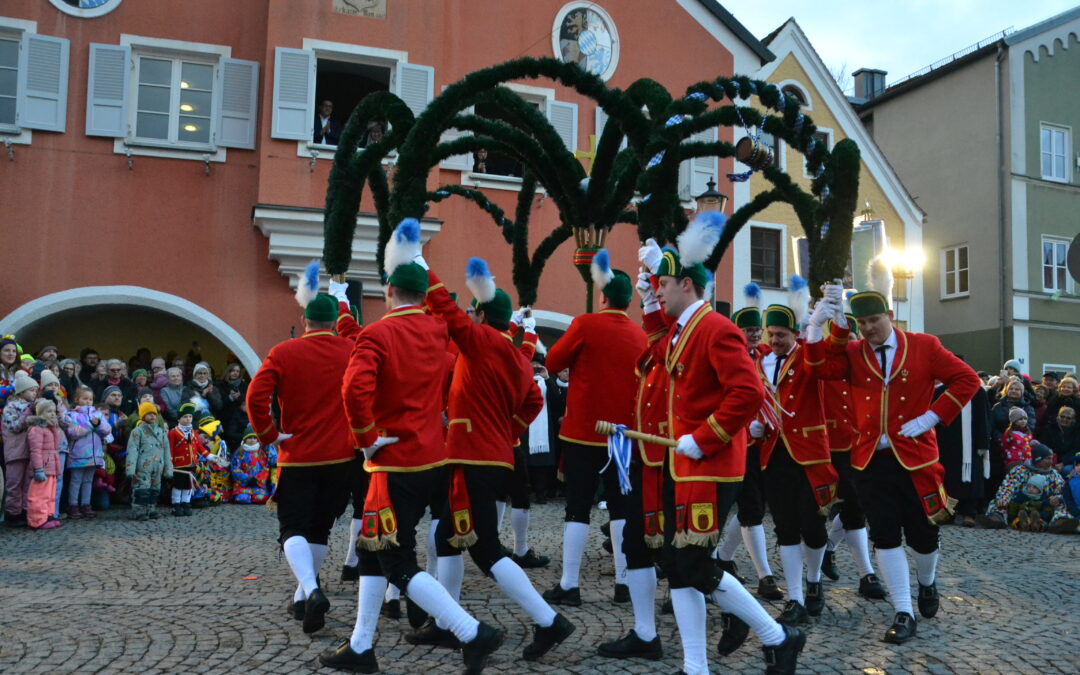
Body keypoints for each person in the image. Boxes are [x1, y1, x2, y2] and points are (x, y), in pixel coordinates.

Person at [322, 229, 504, 674]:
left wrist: (366, 437)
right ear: (424, 296)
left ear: (389, 291)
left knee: (397, 561)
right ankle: (361, 644)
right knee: (371, 548)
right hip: (434, 458)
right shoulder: (439, 330)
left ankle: (470, 631)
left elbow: (353, 388)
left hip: (393, 461)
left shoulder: (378, 333)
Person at [647, 225, 804, 675]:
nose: (658, 290)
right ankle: (695, 665)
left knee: (695, 563)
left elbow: (747, 392)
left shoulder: (715, 328)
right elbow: (660, 357)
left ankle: (778, 636)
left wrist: (704, 437)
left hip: (710, 464)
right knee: (677, 565)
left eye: (663, 283)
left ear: (686, 284)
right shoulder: (684, 329)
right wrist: (650, 309)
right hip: (684, 464)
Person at [807, 277, 981, 645]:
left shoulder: (924, 346)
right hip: (870, 458)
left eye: (874, 320)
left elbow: (967, 380)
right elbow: (821, 368)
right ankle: (903, 611)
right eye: (861, 323)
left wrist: (932, 417)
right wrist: (818, 326)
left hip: (916, 458)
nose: (868, 328)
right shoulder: (853, 351)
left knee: (924, 536)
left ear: (889, 315)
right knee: (884, 534)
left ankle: (927, 582)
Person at [419, 254, 572, 664]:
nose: (469, 315)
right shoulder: (517, 355)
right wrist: (506, 432)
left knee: (484, 548)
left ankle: (548, 620)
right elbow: (533, 399)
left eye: (474, 311)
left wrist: (418, 260)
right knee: (448, 537)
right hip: (490, 455)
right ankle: (448, 619)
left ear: (483, 315)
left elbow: (445, 308)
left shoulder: (481, 340)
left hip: (472, 455)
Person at [245, 287, 357, 637]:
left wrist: (269, 434)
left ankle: (311, 591)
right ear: (335, 322)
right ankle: (301, 599)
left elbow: (255, 396)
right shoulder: (351, 350)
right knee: (320, 529)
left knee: (292, 528)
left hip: (299, 455)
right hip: (342, 456)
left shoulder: (284, 351)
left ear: (304, 320)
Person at [544, 249, 647, 606]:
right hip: (623, 436)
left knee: (577, 506)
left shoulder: (585, 324)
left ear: (603, 296)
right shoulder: (640, 335)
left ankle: (570, 584)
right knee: (620, 507)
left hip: (584, 432)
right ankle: (623, 583)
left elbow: (553, 361)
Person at [750, 299, 840, 627]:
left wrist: (821, 323)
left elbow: (832, 351)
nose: (774, 340)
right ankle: (795, 598)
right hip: (772, 454)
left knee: (813, 526)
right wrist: (751, 426)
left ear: (794, 334)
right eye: (771, 334)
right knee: (785, 527)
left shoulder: (807, 356)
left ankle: (814, 580)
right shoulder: (759, 362)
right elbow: (751, 398)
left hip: (808, 453)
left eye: (781, 335)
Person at [714, 284, 784, 601]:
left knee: (752, 506)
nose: (754, 335)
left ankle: (723, 557)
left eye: (757, 330)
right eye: (748, 330)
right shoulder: (727, 359)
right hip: (734, 443)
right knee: (746, 507)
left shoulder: (766, 356)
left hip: (762, 445)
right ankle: (765, 576)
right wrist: (745, 427)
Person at [819, 313, 886, 600]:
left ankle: (847, 561)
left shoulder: (866, 366)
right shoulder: (826, 364)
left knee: (857, 507)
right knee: (840, 509)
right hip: (827, 447)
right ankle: (859, 572)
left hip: (861, 445)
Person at [977, 443, 1078, 533]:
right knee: (997, 501)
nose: (1051, 462)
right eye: (1047, 458)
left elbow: (1063, 490)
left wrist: (1058, 498)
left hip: (1043, 506)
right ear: (1038, 459)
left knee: (1062, 504)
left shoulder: (1054, 474)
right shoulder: (1020, 470)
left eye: (1051, 458)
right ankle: (996, 518)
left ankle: (1060, 522)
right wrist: (1003, 498)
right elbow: (1007, 487)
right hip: (1020, 504)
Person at [935, 380, 992, 528]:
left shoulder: (978, 391)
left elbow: (984, 417)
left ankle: (969, 512)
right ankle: (949, 511)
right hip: (947, 442)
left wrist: (983, 442)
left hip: (971, 444)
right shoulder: (941, 391)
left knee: (971, 478)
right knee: (948, 477)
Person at [65, 386, 111, 520]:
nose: (88, 402)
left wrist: (98, 424)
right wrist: (90, 424)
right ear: (77, 399)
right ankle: (73, 505)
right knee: (76, 480)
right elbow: (73, 432)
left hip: (94, 454)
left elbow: (107, 430)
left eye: (90, 399)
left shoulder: (97, 414)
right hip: (78, 454)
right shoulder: (72, 415)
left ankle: (86, 504)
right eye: (85, 398)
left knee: (88, 481)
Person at [125, 402, 172, 521]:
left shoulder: (161, 432)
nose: (152, 416)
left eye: (154, 414)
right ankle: (139, 511)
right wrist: (130, 468)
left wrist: (168, 468)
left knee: (155, 489)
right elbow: (132, 450)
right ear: (143, 416)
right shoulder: (137, 431)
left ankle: (151, 509)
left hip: (158, 466)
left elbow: (167, 451)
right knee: (141, 489)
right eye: (149, 414)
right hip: (142, 466)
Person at [26, 398, 64, 530]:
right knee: (39, 495)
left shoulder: (51, 428)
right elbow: (35, 450)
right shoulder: (37, 429)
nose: (52, 414)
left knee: (50, 494)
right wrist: (38, 469)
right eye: (48, 411)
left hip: (51, 467)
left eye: (54, 411)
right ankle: (37, 520)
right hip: (43, 467)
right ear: (40, 413)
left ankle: (48, 515)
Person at [168, 402, 208, 517]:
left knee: (189, 485)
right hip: (179, 465)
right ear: (179, 419)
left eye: (190, 416)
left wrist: (210, 456)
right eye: (185, 416)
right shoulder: (173, 433)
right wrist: (169, 462)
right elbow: (170, 449)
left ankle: (186, 503)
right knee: (178, 485)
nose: (188, 419)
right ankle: (176, 504)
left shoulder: (194, 432)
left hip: (192, 464)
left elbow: (199, 447)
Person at [229, 425, 272, 505]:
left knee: (261, 499)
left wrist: (257, 479)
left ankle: (254, 496)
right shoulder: (239, 452)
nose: (252, 440)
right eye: (249, 438)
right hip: (243, 484)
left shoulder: (261, 453)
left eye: (254, 438)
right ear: (245, 439)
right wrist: (247, 478)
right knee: (242, 498)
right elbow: (234, 468)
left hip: (257, 484)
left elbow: (266, 468)